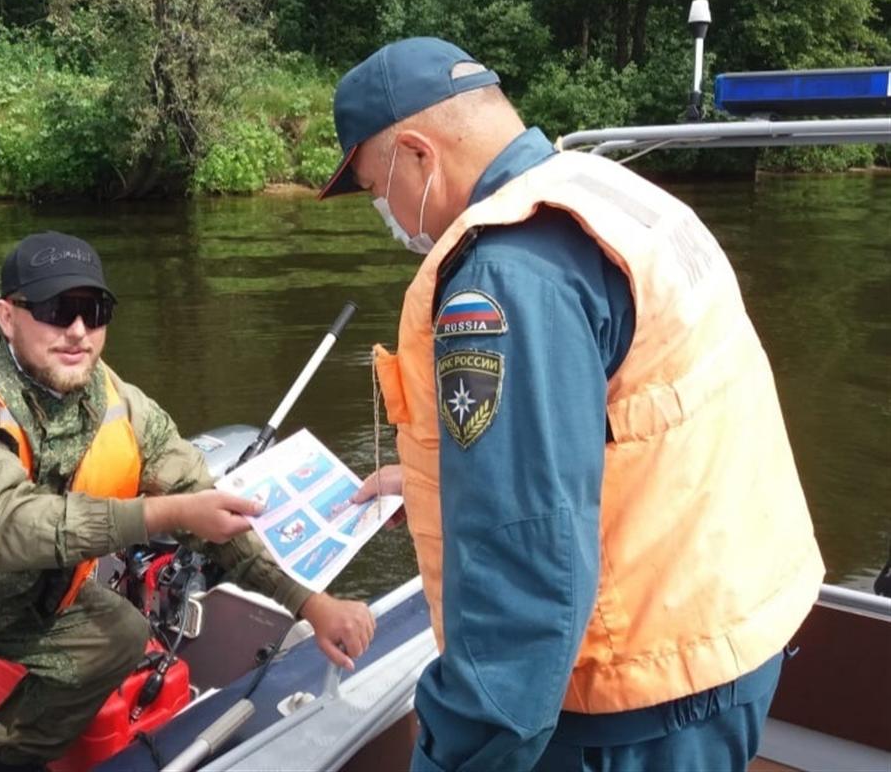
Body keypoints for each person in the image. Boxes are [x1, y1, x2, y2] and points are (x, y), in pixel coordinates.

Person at [324, 38, 824, 771]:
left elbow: (523, 569)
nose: (386, 213)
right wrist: (434, 483)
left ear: (417, 154)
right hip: (725, 631)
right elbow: (617, 418)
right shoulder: (607, 190)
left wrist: (455, 756)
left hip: (633, 698)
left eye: (375, 189)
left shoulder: (503, 273)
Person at [0, 231, 375, 772]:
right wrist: (162, 515)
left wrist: (308, 603)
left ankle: (4, 763)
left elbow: (201, 499)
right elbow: (7, 527)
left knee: (116, 636)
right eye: (56, 311)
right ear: (7, 316)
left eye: (96, 313)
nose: (79, 332)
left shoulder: (119, 402)